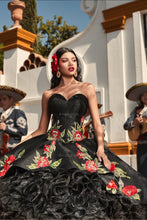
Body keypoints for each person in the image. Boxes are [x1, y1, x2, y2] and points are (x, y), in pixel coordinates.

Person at [0, 48, 146, 219]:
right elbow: (41, 129)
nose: (71, 63)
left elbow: (97, 124)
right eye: (65, 60)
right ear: (57, 66)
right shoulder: (48, 94)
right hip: (51, 146)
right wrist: (20, 145)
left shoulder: (87, 88)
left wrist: (100, 148)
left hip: (80, 146)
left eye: (74, 60)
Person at [124, 83, 147, 179]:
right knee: (143, 174)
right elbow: (125, 126)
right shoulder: (136, 111)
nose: (145, 96)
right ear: (140, 98)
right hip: (142, 145)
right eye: (143, 95)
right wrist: (134, 122)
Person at [0, 85, 28, 154]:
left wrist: (6, 128)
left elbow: (23, 131)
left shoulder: (18, 113)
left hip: (12, 151)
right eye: (0, 100)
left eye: (4, 99)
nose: (2, 101)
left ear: (11, 99)